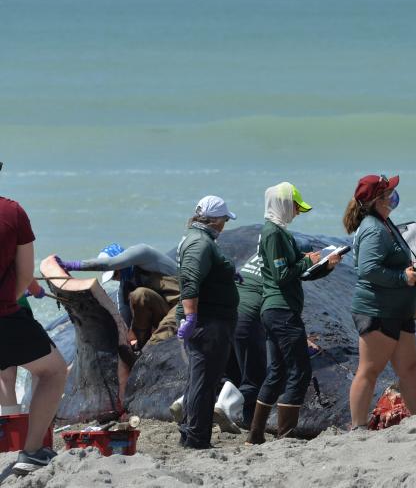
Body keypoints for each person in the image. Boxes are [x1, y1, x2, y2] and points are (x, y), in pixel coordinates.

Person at [245, 183, 341, 444]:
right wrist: (308, 259)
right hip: (281, 310)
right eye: (296, 207)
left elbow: (298, 272)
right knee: (299, 371)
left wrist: (325, 264)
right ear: (284, 204)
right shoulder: (273, 233)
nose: (297, 212)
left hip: (277, 309)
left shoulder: (280, 234)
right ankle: (284, 436)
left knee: (277, 371)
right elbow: (282, 274)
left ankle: (255, 435)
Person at [345, 174, 416, 430]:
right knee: (369, 370)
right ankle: (357, 427)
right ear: (379, 199)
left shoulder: (383, 222)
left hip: (399, 310)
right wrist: (402, 277)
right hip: (378, 310)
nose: (393, 195)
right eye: (389, 192)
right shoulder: (372, 228)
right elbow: (367, 269)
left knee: (410, 368)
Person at [1, 191, 67, 476]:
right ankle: (31, 452)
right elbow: (26, 274)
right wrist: (9, 304)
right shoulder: (13, 212)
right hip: (3, 315)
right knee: (54, 371)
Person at [175, 195, 240, 449]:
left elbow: (200, 272)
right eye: (223, 219)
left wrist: (226, 273)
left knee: (197, 379)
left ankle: (189, 433)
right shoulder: (200, 243)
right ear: (214, 220)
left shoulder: (196, 239)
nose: (224, 224)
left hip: (209, 319)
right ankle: (197, 437)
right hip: (208, 322)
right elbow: (190, 278)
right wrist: (191, 316)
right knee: (204, 381)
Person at [58, 243, 180, 350]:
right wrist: (125, 340)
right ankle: (145, 345)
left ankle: (154, 345)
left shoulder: (143, 253)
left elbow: (110, 263)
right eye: (113, 277)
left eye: (115, 273)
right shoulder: (126, 287)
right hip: (165, 311)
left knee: (158, 336)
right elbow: (123, 319)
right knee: (139, 295)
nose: (116, 278)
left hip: (184, 305)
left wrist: (72, 265)